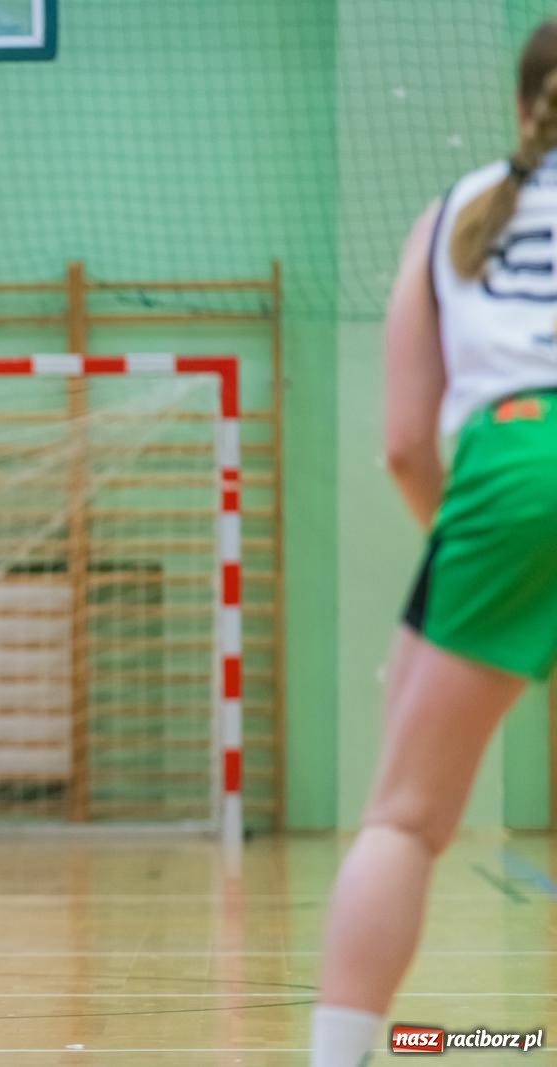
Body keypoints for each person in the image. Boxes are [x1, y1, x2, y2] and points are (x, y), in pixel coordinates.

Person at [310, 20, 557, 1067]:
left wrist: (468, 570)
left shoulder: (452, 217)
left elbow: (406, 443)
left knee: (402, 820)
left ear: (521, 103)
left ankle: (341, 1054)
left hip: (507, 479)